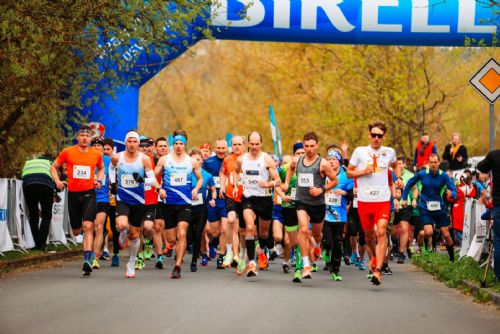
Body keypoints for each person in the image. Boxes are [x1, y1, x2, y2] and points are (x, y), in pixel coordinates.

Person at [346, 120, 401, 286]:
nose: (376, 138)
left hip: (383, 200)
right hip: (364, 201)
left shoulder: (389, 152)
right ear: (369, 135)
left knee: (382, 231)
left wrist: (398, 178)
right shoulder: (360, 152)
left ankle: (378, 270)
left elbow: (395, 165)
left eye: (380, 135)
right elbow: (349, 173)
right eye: (373, 135)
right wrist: (363, 171)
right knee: (369, 237)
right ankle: (374, 260)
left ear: (384, 137)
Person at [50, 125, 104, 276]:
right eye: (82, 135)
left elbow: (101, 168)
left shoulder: (96, 154)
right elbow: (54, 167)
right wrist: (58, 181)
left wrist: (99, 181)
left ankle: (87, 260)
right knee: (76, 230)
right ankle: (83, 242)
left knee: (88, 226)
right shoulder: (68, 152)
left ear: (91, 138)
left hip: (89, 193)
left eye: (88, 136)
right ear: (78, 137)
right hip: (73, 194)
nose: (85, 138)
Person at [285, 132, 338, 281]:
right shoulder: (298, 160)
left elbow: (334, 181)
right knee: (303, 229)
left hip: (318, 204)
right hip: (301, 202)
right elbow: (290, 168)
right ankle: (306, 265)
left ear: (317, 146)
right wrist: (287, 183)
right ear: (303, 146)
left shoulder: (323, 163)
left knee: (316, 235)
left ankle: (317, 246)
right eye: (306, 146)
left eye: (312, 146)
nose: (309, 149)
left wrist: (321, 190)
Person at [109, 130, 158, 278]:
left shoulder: (144, 160)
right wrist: (112, 182)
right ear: (125, 142)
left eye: (134, 141)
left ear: (138, 143)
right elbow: (111, 168)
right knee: (122, 225)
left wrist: (142, 179)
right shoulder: (117, 157)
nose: (132, 144)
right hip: (123, 199)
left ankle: (131, 263)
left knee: (135, 234)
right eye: (129, 141)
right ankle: (122, 232)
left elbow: (153, 181)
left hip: (139, 201)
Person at [155, 130, 203, 279]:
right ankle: (175, 250)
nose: (178, 146)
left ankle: (177, 267)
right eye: (176, 143)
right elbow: (153, 176)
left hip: (185, 203)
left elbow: (200, 179)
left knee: (182, 233)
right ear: (172, 145)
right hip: (168, 203)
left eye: (181, 143)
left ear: (185, 145)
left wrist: (195, 189)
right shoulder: (164, 160)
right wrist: (159, 188)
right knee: (171, 239)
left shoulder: (191, 161)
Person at [234, 131, 282, 277]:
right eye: (252, 144)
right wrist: (236, 185)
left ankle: (261, 250)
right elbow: (236, 172)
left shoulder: (267, 159)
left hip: (265, 200)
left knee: (263, 233)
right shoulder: (241, 159)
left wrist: (268, 183)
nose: (254, 147)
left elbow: (278, 180)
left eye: (257, 144)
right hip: (248, 198)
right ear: (248, 143)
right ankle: (252, 264)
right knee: (249, 227)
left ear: (261, 144)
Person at [402, 154, 457, 262]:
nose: (433, 164)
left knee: (446, 234)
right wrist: (404, 197)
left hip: (439, 207)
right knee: (428, 232)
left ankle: (452, 259)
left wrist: (452, 194)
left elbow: (453, 189)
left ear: (438, 162)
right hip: (425, 206)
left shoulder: (443, 175)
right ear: (428, 163)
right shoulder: (422, 174)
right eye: (431, 162)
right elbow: (409, 183)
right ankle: (426, 248)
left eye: (435, 162)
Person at [322, 149, 354, 281]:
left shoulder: (346, 176)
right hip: (324, 214)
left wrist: (344, 193)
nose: (331, 161)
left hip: (340, 215)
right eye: (329, 159)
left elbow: (352, 195)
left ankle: (336, 270)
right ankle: (326, 252)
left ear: (339, 161)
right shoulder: (323, 175)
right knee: (328, 242)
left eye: (334, 159)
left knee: (338, 242)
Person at [220, 135, 246, 274]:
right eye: (234, 144)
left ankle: (242, 255)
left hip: (245, 197)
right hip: (230, 196)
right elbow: (223, 173)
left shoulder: (248, 159)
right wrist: (222, 186)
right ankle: (229, 253)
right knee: (230, 220)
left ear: (244, 145)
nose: (236, 146)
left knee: (243, 229)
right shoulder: (227, 159)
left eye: (239, 144)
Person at [202, 138, 230, 269]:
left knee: (225, 229)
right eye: (218, 148)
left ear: (227, 148)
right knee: (215, 232)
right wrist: (211, 189)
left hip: (226, 200)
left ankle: (221, 257)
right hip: (212, 200)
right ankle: (213, 243)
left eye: (223, 148)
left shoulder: (231, 161)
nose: (220, 150)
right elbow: (202, 179)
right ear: (215, 148)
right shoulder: (208, 163)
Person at [189, 149, 217, 272]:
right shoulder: (186, 173)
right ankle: (195, 249)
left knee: (198, 234)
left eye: (198, 159)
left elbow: (213, 189)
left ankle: (194, 261)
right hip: (188, 208)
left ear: (202, 161)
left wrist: (214, 199)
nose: (196, 161)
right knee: (188, 236)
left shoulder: (207, 175)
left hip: (202, 209)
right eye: (193, 159)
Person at [21, 152, 56, 250]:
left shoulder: (30, 161)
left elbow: (23, 175)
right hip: (45, 184)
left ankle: (36, 243)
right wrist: (54, 193)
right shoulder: (51, 162)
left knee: (33, 215)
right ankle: (41, 244)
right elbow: (54, 178)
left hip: (28, 184)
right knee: (46, 215)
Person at [477, 149, 500, 282]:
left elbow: (481, 166)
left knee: (498, 241)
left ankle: (498, 275)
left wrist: (491, 162)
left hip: (498, 204)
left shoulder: (495, 155)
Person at [90, 137, 111, 269]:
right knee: (88, 228)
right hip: (88, 197)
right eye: (95, 146)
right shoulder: (86, 159)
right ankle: (87, 255)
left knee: (99, 227)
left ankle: (95, 257)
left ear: (103, 149)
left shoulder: (109, 161)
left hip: (103, 198)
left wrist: (113, 187)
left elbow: (116, 177)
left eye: (100, 146)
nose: (97, 148)